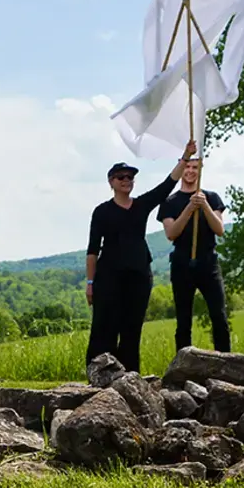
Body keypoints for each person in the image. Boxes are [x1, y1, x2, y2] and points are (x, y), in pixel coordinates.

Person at [84, 143, 193, 373]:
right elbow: (92, 250)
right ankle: (99, 377)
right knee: (105, 328)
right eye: (121, 177)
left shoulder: (141, 205)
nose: (127, 180)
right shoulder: (102, 211)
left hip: (139, 277)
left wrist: (185, 157)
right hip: (108, 278)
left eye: (130, 177)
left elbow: (166, 186)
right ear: (111, 182)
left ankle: (130, 378)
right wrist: (90, 283)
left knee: (131, 330)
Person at [157, 157, 231, 352]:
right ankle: (183, 367)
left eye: (195, 167)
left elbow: (219, 229)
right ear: (182, 169)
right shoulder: (169, 202)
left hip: (208, 262)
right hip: (182, 264)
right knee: (183, 321)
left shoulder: (212, 197)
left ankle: (226, 364)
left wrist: (204, 206)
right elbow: (171, 233)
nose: (190, 171)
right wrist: (189, 208)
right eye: (187, 167)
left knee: (219, 316)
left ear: (201, 170)